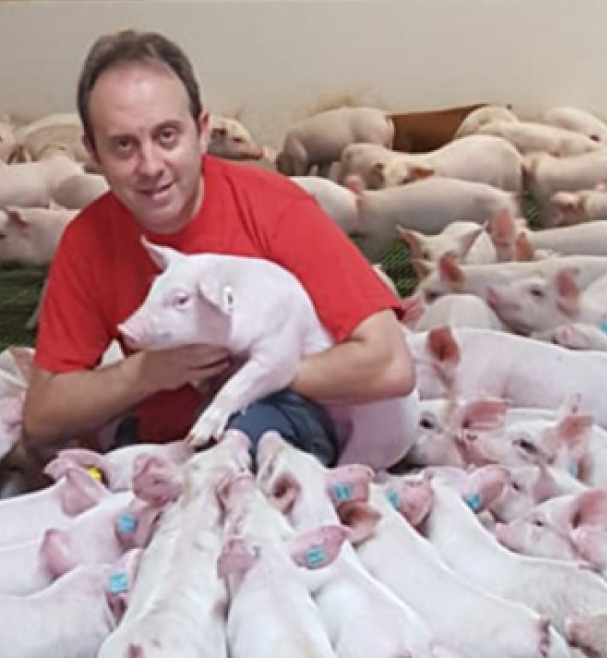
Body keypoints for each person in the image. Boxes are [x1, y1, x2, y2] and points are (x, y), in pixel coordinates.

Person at [21, 28, 414, 467]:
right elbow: (43, 416)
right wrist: (146, 373)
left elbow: (390, 364)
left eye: (167, 136)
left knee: (247, 434)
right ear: (93, 153)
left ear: (203, 132)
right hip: (169, 442)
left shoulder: (276, 208)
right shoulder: (88, 240)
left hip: (275, 429)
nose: (150, 166)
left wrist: (264, 370)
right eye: (123, 146)